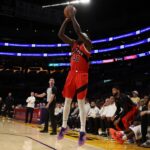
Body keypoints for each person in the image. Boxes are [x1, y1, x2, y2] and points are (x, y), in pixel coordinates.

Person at [57, 6, 92, 146]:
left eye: (83, 35)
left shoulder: (88, 45)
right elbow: (60, 34)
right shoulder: (74, 44)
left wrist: (72, 16)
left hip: (82, 75)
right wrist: (66, 20)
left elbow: (78, 30)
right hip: (71, 74)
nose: (80, 36)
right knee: (67, 101)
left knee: (81, 103)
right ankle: (64, 126)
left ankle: (82, 130)